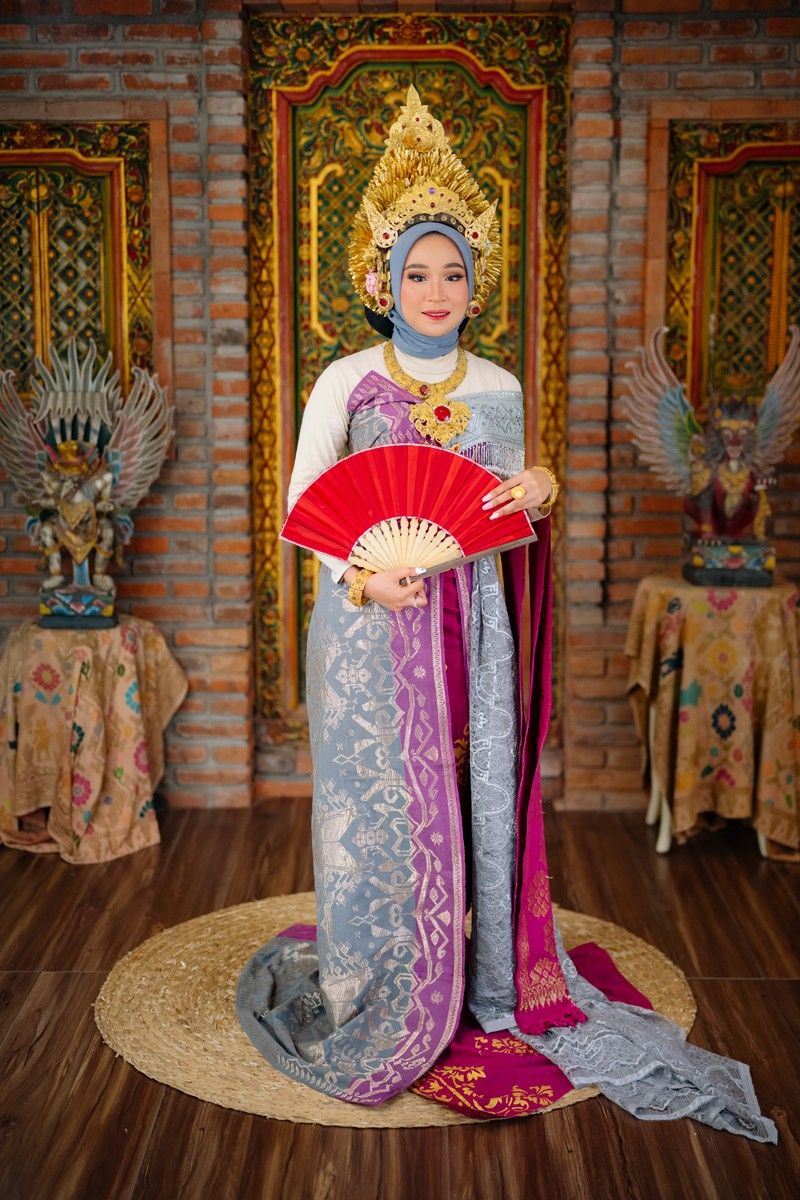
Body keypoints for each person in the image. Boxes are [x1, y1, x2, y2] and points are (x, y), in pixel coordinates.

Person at [237, 87, 776, 1141]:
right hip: (371, 628)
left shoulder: (496, 386)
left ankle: (476, 976)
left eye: (454, 273)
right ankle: (375, 973)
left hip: (471, 630)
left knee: (464, 796)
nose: (436, 290)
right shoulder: (345, 382)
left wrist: (539, 489)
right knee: (380, 809)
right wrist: (366, 576)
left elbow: (499, 524)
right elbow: (303, 506)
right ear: (381, 281)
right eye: (417, 272)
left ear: (474, 285)